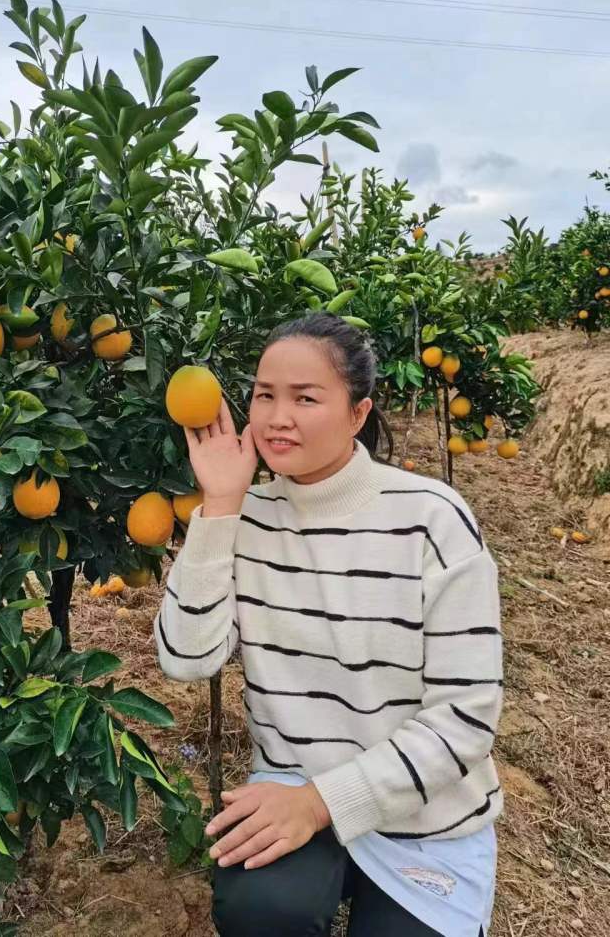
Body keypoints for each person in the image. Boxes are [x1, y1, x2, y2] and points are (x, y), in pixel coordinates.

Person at [155, 312, 503, 937]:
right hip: (293, 779)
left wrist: (323, 804)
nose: (277, 416)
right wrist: (221, 507)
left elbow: (466, 718)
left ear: (358, 413)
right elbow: (187, 659)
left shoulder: (431, 520)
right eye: (264, 395)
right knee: (263, 911)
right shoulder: (248, 517)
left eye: (305, 397)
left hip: (424, 807)